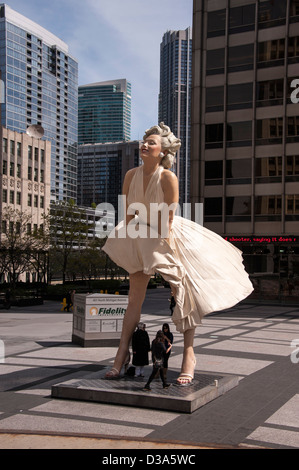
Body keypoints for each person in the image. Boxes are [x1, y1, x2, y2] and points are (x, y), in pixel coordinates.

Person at [102, 122, 253, 385]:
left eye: (152, 142)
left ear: (162, 151)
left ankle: (189, 356)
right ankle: (121, 355)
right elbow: (127, 215)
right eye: (144, 140)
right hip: (140, 235)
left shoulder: (167, 177)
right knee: (133, 298)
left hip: (166, 236)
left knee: (183, 295)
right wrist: (129, 244)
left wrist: (158, 248)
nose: (145, 144)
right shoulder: (130, 175)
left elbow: (168, 221)